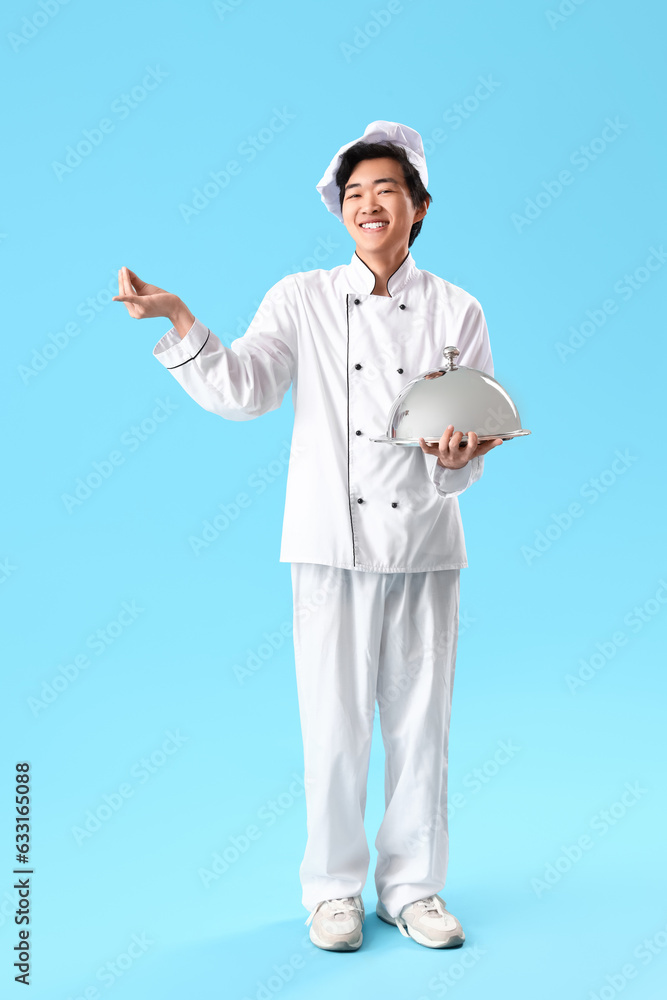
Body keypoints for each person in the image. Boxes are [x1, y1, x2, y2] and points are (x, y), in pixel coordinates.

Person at [113, 120, 503, 952]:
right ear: (340, 210)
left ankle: (414, 890)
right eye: (354, 193)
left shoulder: (458, 308)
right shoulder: (300, 299)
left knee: (420, 728)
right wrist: (181, 318)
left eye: (385, 190)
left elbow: (472, 444)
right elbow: (246, 388)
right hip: (327, 544)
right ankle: (332, 892)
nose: (368, 204)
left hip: (429, 545)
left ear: (419, 207)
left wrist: (456, 458)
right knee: (332, 729)